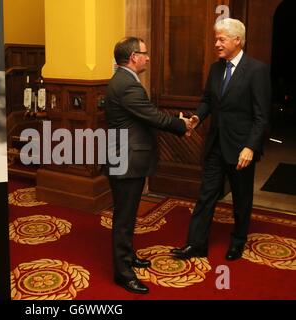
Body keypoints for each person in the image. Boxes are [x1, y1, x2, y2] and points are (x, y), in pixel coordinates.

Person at [172, 18, 270, 261]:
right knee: (206, 194)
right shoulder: (216, 68)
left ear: (237, 40)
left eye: (221, 39)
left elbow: (262, 116)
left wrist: (250, 147)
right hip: (215, 144)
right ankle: (196, 244)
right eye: (216, 38)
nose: (216, 43)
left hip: (241, 148)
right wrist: (196, 118)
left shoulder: (257, 70)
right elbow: (207, 99)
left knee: (241, 198)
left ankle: (238, 241)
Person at [104, 37, 190, 294]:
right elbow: (151, 115)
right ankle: (123, 273)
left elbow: (145, 114)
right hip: (126, 160)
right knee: (124, 218)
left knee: (128, 215)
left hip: (126, 157)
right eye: (145, 53)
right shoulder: (127, 85)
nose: (148, 57)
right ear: (133, 57)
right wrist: (181, 124)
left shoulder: (125, 80)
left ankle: (128, 257)